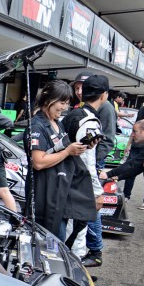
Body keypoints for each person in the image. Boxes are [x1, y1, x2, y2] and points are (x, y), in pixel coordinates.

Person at [25, 80, 93, 241]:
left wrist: (80, 147)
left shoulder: (57, 123)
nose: (64, 107)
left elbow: (62, 149)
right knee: (49, 243)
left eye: (67, 103)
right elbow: (38, 162)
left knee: (58, 241)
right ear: (48, 100)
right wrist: (68, 151)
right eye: (62, 102)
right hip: (43, 193)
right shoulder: (37, 126)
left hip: (59, 191)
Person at [62, 75, 109, 267]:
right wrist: (97, 192)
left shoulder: (73, 115)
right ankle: (73, 273)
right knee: (76, 232)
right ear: (104, 95)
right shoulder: (89, 121)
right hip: (78, 184)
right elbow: (88, 161)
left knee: (71, 229)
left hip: (66, 179)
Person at [100, 119, 144, 222]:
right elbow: (139, 167)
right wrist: (118, 177)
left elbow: (132, 163)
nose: (132, 135)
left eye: (135, 131)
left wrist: (108, 174)